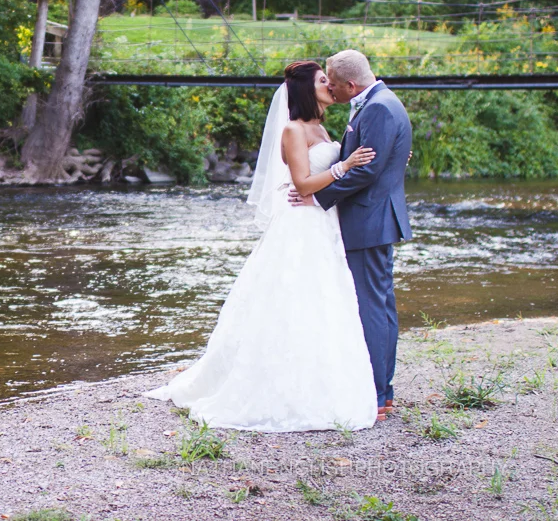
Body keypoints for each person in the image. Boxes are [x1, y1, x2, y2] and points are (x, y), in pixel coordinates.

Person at [143, 60, 380, 431]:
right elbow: (302, 184)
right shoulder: (293, 130)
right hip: (300, 224)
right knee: (292, 300)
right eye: (323, 80)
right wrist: (344, 166)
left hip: (321, 223)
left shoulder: (321, 127)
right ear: (306, 89)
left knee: (324, 302)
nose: (330, 84)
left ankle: (321, 381)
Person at [289, 49, 413, 419]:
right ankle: (382, 391)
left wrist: (316, 195)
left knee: (372, 307)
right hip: (372, 218)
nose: (330, 87)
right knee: (379, 304)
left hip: (368, 219)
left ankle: (376, 395)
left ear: (350, 84)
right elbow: (373, 159)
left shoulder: (376, 107)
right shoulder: (380, 102)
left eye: (332, 81)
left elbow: (366, 172)